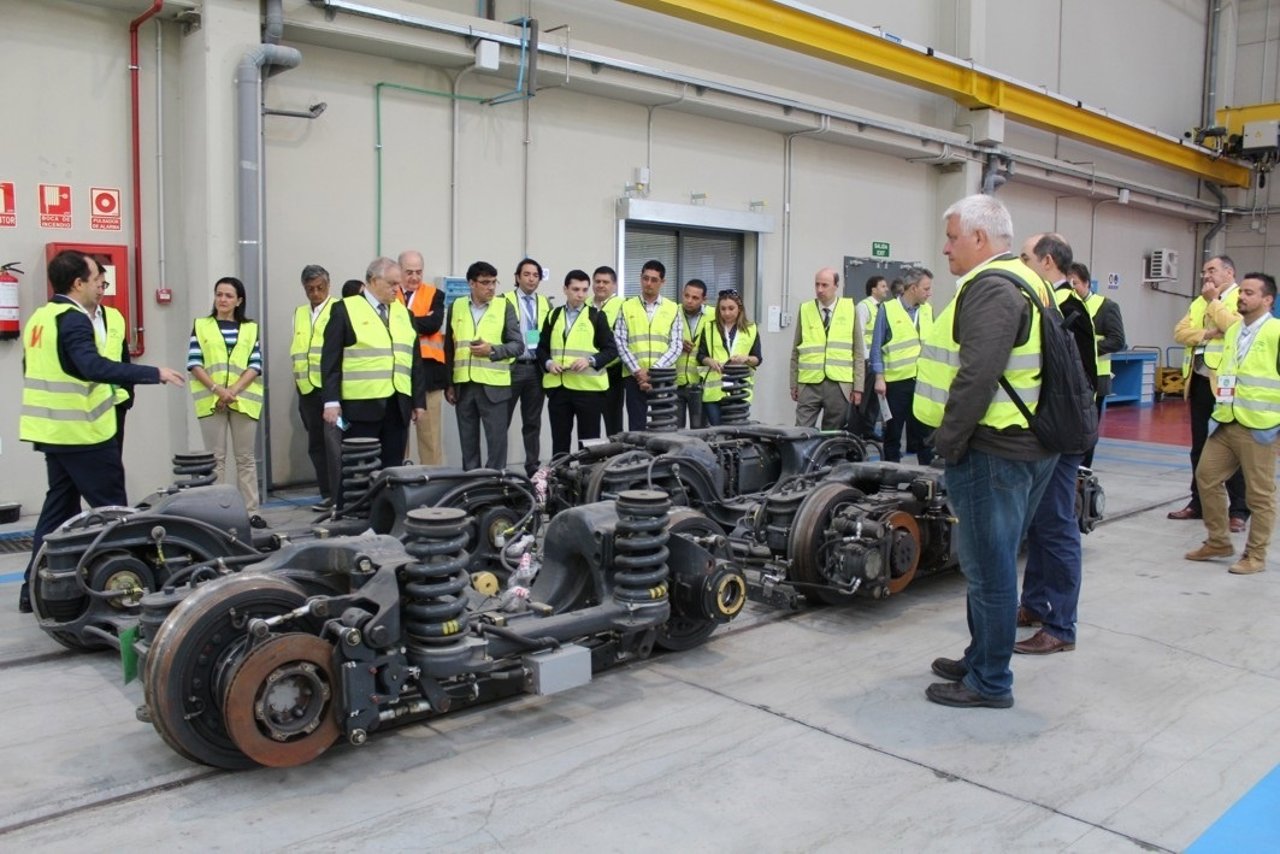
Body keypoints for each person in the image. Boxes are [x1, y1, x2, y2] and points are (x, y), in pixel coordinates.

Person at [913, 194, 1056, 709]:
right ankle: (981, 657)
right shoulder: (1027, 280)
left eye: (952, 237)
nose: (946, 248)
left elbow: (977, 376)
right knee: (990, 565)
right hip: (1024, 446)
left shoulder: (992, 288)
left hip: (993, 450)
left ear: (978, 237)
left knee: (989, 570)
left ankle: (990, 681)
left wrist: (947, 442)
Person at [19, 250, 184, 612]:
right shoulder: (74, 320)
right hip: (84, 433)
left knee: (57, 512)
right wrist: (153, 373)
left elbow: (31, 367)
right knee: (115, 515)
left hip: (53, 432)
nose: (101, 285)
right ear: (77, 283)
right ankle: (131, 590)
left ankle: (32, 590)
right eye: (96, 279)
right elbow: (91, 366)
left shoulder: (42, 317)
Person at [1013, 233, 1097, 656]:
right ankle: (1034, 604)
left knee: (1058, 525)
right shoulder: (1047, 302)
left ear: (1047, 262)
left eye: (1025, 257)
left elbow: (1075, 381)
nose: (1019, 264)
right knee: (1041, 522)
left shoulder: (1066, 308)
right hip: (1049, 432)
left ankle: (1061, 625)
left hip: (1061, 433)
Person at [1185, 272, 1280, 575]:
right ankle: (1218, 541)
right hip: (1226, 420)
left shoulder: (1276, 332)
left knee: (1259, 495)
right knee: (1206, 476)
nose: (1242, 297)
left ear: (1268, 300)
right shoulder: (1235, 330)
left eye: (1249, 293)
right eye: (1242, 292)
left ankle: (1255, 556)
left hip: (1260, 427)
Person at [320, 258, 424, 486]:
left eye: (399, 284)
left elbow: (414, 360)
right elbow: (330, 360)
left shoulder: (404, 314)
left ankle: (386, 506)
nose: (397, 289)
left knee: (392, 469)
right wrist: (330, 401)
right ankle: (352, 507)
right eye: (392, 284)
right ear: (374, 281)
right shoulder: (345, 309)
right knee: (357, 469)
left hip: (397, 404)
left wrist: (418, 401)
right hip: (360, 407)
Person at [1170, 255, 1249, 530]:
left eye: (1212, 270)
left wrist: (1214, 302)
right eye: (1205, 271)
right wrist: (1207, 333)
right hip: (1199, 381)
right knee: (1199, 447)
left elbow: (1234, 328)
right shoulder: (1198, 302)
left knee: (1233, 447)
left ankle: (1239, 510)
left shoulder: (1241, 297)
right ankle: (1199, 503)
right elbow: (1180, 333)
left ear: (1229, 272)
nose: (1207, 276)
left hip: (1227, 384)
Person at [188, 276, 266, 526]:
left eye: (228, 296)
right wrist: (217, 390)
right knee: (216, 459)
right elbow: (194, 363)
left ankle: (252, 512)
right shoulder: (201, 325)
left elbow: (255, 364)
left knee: (245, 459)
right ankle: (218, 514)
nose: (222, 299)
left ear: (239, 301)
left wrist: (232, 391)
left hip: (243, 400)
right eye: (219, 294)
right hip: (212, 400)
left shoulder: (250, 328)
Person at [445, 261, 525, 470]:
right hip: (464, 386)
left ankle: (495, 483)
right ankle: (472, 484)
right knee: (468, 444)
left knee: (497, 444)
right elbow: (449, 348)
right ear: (471, 283)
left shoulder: (504, 306)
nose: (491, 287)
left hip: (494, 387)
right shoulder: (456, 307)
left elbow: (518, 345)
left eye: (494, 282)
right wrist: (449, 384)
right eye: (485, 282)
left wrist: (492, 350)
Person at [537, 269, 618, 457]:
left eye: (584, 290)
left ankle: (587, 476)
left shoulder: (596, 316)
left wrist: (590, 360)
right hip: (559, 389)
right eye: (575, 289)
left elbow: (611, 350)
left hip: (588, 390)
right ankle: (560, 474)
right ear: (565, 289)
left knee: (589, 443)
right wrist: (548, 363)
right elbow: (541, 348)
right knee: (560, 441)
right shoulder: (553, 315)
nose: (580, 295)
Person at [871, 268, 934, 464]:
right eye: (926, 289)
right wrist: (879, 377)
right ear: (913, 288)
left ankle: (927, 476)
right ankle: (891, 476)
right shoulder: (888, 309)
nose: (929, 293)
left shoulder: (927, 310)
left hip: (923, 382)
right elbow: (876, 346)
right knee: (893, 434)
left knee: (925, 435)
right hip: (896, 383)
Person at [1068, 262, 1126, 468]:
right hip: (1071, 376)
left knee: (1088, 429)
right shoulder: (1065, 305)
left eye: (1075, 283)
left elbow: (1117, 340)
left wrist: (1084, 348)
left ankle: (1083, 471)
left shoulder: (1106, 307)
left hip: (1096, 378)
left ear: (1086, 283)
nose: (1071, 287)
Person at [790, 267, 862, 430]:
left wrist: (858, 387)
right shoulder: (805, 309)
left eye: (825, 285)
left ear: (836, 286)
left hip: (839, 384)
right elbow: (795, 351)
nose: (820, 289)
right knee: (801, 431)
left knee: (832, 433)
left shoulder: (849, 308)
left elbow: (858, 352)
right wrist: (793, 383)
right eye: (817, 284)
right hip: (809, 383)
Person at [615, 260, 682, 431]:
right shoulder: (627, 307)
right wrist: (638, 372)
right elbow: (620, 342)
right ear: (640, 278)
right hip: (634, 377)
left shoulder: (673, 308)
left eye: (654, 280)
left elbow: (676, 346)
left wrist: (653, 373)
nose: (649, 283)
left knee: (663, 428)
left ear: (662, 282)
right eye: (645, 278)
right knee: (636, 428)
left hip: (663, 377)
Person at [290, 264, 336, 510]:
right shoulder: (299, 313)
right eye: (310, 289)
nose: (316, 293)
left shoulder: (338, 309)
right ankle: (327, 493)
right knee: (316, 444)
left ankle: (341, 494)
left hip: (331, 390)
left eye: (320, 287)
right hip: (307, 389)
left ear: (328, 285)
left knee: (336, 443)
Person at [400, 250, 447, 466]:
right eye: (409, 272)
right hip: (398, 373)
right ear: (399, 271)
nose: (414, 277)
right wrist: (420, 320)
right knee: (397, 437)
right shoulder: (391, 293)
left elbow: (433, 324)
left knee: (430, 436)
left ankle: (434, 478)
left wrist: (403, 321)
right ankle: (397, 478)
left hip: (429, 373)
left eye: (419, 272)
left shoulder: (434, 294)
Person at [505, 258, 551, 476]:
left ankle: (532, 467)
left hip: (536, 369)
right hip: (512, 368)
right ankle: (499, 466)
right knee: (502, 420)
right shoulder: (504, 300)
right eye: (527, 274)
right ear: (517, 277)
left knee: (532, 422)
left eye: (535, 275)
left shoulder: (545, 303)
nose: (531, 279)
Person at [87, 257, 134, 453]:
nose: (100, 290)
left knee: (113, 461)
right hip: (84, 407)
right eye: (96, 285)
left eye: (104, 285)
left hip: (115, 403)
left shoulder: (114, 316)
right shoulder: (71, 318)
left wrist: (128, 396)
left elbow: (124, 359)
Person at [699, 288, 762, 425]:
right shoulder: (709, 327)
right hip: (714, 391)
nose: (726, 313)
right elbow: (701, 355)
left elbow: (758, 359)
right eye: (723, 309)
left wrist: (746, 358)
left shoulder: (751, 329)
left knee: (736, 430)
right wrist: (710, 361)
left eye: (731, 308)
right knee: (717, 430)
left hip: (739, 389)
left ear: (739, 308)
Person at [851, 275, 889, 437]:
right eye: (883, 286)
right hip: (867, 360)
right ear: (873, 289)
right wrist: (864, 358)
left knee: (874, 399)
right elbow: (859, 333)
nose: (886, 289)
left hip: (877, 360)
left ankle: (868, 429)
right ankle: (855, 432)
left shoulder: (882, 308)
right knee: (863, 398)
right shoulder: (863, 306)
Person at [593, 265, 625, 437]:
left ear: (614, 285)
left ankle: (615, 453)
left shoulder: (623, 305)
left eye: (605, 282)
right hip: (588, 372)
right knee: (589, 423)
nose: (601, 285)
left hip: (612, 372)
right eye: (597, 281)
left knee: (613, 423)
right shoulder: (585, 305)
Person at [675, 278, 709, 429]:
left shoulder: (713, 315)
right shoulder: (672, 312)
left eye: (695, 298)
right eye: (686, 296)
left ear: (704, 299)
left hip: (700, 382)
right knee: (675, 432)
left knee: (700, 431)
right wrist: (678, 342)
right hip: (675, 381)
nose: (689, 301)